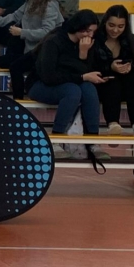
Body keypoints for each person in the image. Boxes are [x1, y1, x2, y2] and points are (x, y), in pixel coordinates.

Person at [29, 10, 106, 159]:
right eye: (87, 31)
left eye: (93, 32)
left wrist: (83, 54)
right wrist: (82, 77)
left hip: (69, 84)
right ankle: (56, 138)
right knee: (73, 91)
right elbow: (49, 77)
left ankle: (92, 140)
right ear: (78, 27)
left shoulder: (87, 44)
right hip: (40, 84)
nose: (90, 35)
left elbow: (85, 73)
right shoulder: (54, 42)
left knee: (88, 88)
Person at [93, 5, 134, 136]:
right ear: (105, 22)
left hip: (126, 85)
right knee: (112, 81)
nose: (115, 30)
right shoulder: (95, 39)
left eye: (120, 26)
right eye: (111, 25)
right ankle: (113, 123)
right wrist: (110, 67)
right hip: (101, 83)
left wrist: (130, 67)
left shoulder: (131, 40)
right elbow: (90, 65)